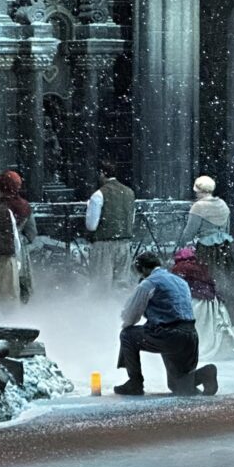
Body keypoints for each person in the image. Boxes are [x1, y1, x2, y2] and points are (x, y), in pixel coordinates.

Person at [114, 251, 219, 397]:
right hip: (190, 335)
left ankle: (135, 383)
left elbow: (131, 315)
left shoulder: (148, 283)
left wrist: (128, 328)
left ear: (143, 268)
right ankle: (205, 374)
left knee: (127, 335)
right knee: (178, 385)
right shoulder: (180, 282)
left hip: (168, 334)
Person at [179, 175, 234, 340]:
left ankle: (214, 324)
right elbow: (227, 229)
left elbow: (189, 232)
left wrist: (182, 244)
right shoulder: (222, 205)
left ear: (198, 190)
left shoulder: (198, 207)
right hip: (224, 248)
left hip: (206, 250)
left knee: (209, 285)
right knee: (232, 283)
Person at [171, 247, 234, 361]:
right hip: (210, 300)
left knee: (197, 328)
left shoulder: (178, 268)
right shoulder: (201, 267)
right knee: (212, 328)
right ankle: (222, 350)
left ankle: (193, 350)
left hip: (195, 301)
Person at [85, 161, 136, 290]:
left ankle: (103, 303)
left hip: (104, 244)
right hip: (124, 243)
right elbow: (131, 219)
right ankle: (119, 303)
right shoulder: (129, 193)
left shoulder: (98, 195)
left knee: (101, 285)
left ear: (102, 174)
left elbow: (91, 225)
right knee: (121, 284)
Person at [0, 170, 37, 303]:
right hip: (19, 249)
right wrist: (22, 239)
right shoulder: (24, 206)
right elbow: (32, 232)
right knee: (21, 281)